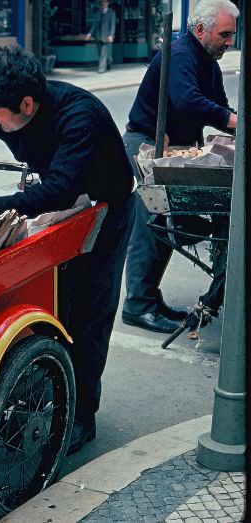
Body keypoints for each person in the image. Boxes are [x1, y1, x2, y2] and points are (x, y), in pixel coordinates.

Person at [0, 46, 136, 455]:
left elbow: (60, 188)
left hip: (104, 207)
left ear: (27, 104)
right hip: (57, 210)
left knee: (89, 309)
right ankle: (47, 388)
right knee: (54, 303)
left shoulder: (79, 116)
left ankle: (81, 416)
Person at [121, 0, 239, 334]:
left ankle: (149, 299)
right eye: (225, 34)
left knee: (170, 223)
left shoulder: (208, 63)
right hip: (148, 142)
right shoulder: (182, 55)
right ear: (200, 29)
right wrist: (232, 119)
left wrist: (235, 125)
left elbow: (217, 106)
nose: (230, 42)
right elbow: (187, 100)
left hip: (178, 147)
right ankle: (138, 305)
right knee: (153, 220)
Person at [86, 0, 116, 74]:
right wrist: (90, 33)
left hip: (106, 36)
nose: (103, 3)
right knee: (100, 53)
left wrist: (111, 35)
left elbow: (113, 25)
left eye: (105, 2)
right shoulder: (98, 13)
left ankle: (101, 69)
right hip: (98, 36)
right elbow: (94, 25)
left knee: (103, 53)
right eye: (102, 2)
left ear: (108, 3)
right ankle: (108, 62)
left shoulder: (111, 13)